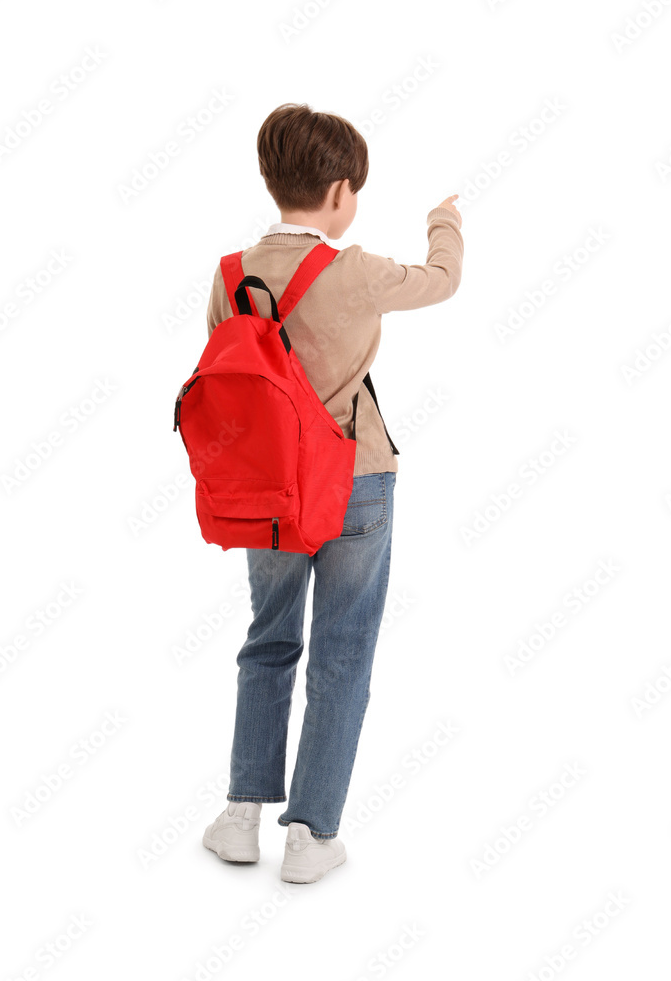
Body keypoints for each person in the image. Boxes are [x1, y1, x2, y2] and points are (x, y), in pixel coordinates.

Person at [202, 102, 464, 883]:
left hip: (266, 492)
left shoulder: (229, 274)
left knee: (268, 639)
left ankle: (242, 815)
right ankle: (312, 836)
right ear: (343, 192)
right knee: (343, 653)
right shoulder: (356, 270)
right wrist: (444, 220)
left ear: (271, 179)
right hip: (354, 481)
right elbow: (443, 281)